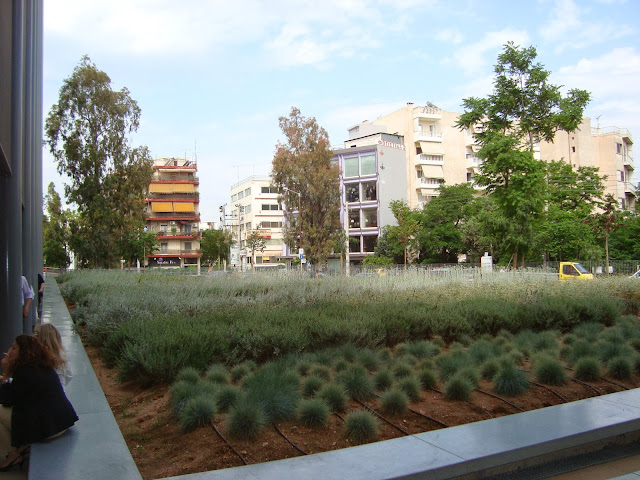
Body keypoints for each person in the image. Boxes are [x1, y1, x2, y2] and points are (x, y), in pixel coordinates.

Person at [0, 335, 78, 470]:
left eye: (14, 348)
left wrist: (6, 373)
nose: (9, 351)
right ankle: (19, 448)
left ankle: (13, 453)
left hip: (50, 428)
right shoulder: (42, 365)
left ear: (23, 351)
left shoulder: (24, 371)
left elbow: (7, 400)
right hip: (61, 422)